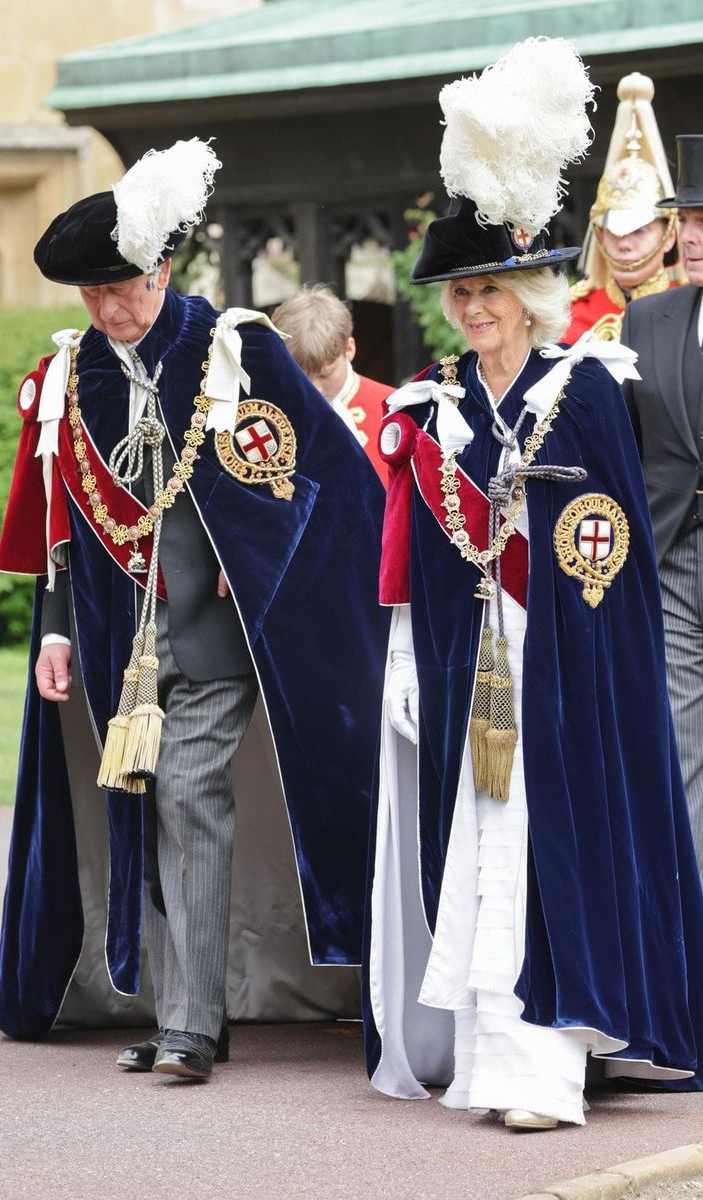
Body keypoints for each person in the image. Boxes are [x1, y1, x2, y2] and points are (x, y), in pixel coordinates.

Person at [0, 139, 389, 1080]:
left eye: (123, 288)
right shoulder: (69, 378)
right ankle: (175, 1008)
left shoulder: (234, 347)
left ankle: (192, 1028)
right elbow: (58, 514)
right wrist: (52, 624)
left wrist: (248, 559)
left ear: (162, 268)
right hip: (110, 645)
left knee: (188, 796)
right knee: (138, 810)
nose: (109, 310)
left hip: (215, 636)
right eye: (91, 296)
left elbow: (322, 473)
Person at [363, 37, 703, 1133]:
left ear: (531, 290)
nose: (472, 311)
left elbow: (611, 542)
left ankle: (549, 1073)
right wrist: (410, 656)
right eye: (459, 293)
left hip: (566, 660)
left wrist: (575, 646)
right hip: (469, 664)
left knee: (547, 853)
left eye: (491, 290)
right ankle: (487, 1061)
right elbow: (410, 541)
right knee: (479, 847)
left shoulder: (590, 390)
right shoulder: (430, 403)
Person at [621, 134, 703, 881]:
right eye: (688, 220)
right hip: (672, 555)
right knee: (681, 747)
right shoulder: (648, 321)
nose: (693, 238)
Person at [565, 73, 681, 343]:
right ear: (600, 234)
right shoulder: (571, 312)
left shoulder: (693, 306)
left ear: (669, 236)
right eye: (613, 231)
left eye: (639, 231)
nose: (624, 244)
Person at [272, 285, 393, 483]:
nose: (315, 390)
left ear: (349, 349)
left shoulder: (393, 410)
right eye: (301, 378)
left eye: (324, 374)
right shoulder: (269, 414)